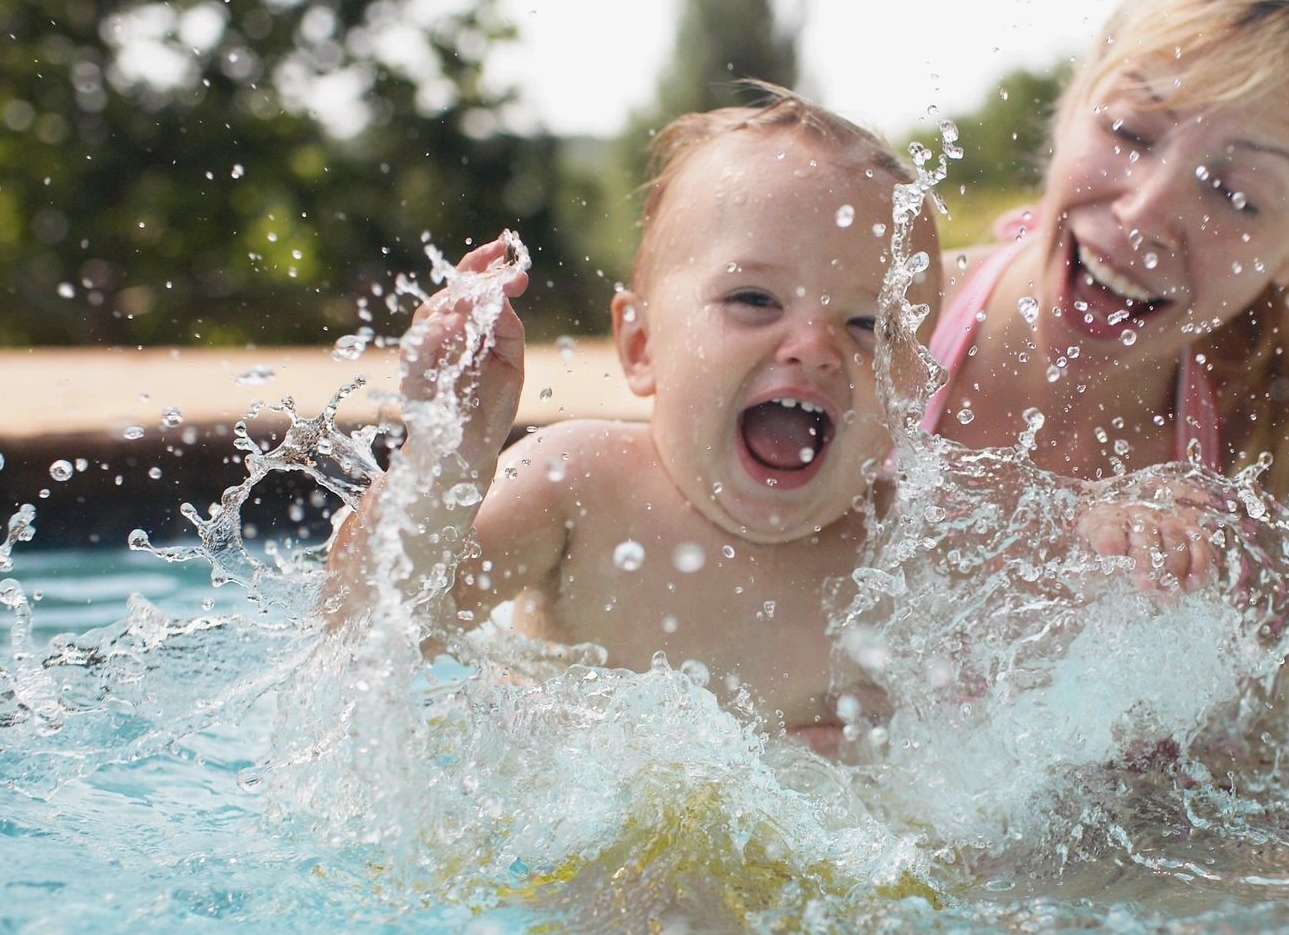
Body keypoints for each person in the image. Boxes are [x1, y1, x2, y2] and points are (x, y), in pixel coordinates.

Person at [326, 89, 941, 747]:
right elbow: (370, 628)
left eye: (870, 324)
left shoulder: (906, 557)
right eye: (755, 299)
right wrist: (446, 454)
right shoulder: (574, 485)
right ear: (641, 344)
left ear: (915, 382)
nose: (816, 349)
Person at [920, 0, 1289, 631]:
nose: (1145, 212)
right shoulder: (877, 321)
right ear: (1075, 104)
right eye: (1128, 131)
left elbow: (1277, 743)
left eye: (1236, 194)